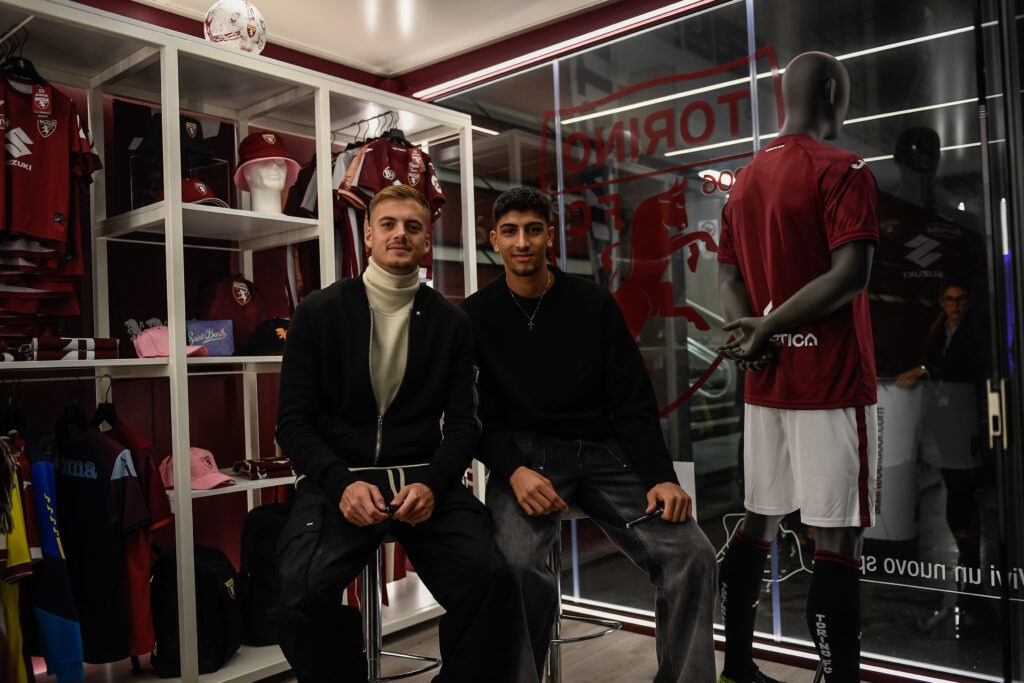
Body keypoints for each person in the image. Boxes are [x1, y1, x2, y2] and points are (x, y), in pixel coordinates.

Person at [460, 186, 718, 683]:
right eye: (510, 231)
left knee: (693, 555)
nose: (522, 242)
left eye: (533, 230)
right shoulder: (473, 316)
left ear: (549, 236)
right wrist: (511, 471)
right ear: (494, 239)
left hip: (603, 453)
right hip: (526, 459)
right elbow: (475, 417)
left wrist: (661, 477)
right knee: (514, 567)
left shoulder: (593, 304)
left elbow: (633, 402)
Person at [272, 184, 512, 682]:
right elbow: (292, 423)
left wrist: (433, 483)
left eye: (412, 226)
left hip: (425, 483)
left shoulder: (451, 321)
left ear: (426, 240)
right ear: (367, 235)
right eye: (388, 224)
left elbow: (465, 425)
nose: (400, 234)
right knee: (299, 596)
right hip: (340, 481)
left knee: (491, 580)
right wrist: (340, 483)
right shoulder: (318, 313)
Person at [716, 51, 879, 683]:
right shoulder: (844, 169)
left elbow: (727, 278)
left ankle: (736, 667)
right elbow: (852, 275)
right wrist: (771, 326)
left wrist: (752, 331)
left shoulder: (746, 178)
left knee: (759, 522)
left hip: (766, 383)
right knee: (837, 539)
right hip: (831, 383)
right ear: (834, 93)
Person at [895, 279, 986, 572]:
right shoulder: (938, 331)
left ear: (967, 302)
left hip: (967, 412)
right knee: (952, 479)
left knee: (964, 483)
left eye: (960, 299)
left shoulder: (976, 329)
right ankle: (963, 545)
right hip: (945, 415)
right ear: (942, 303)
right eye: (949, 299)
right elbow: (936, 362)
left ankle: (969, 547)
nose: (955, 305)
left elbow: (961, 367)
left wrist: (923, 370)